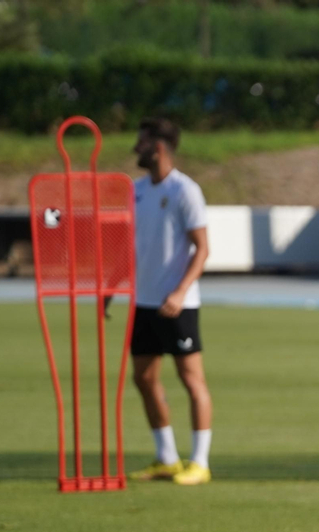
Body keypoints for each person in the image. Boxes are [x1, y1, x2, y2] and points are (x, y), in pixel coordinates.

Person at [128, 117, 213, 486]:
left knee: (191, 379)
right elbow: (132, 247)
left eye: (142, 142)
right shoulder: (135, 190)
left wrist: (179, 292)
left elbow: (203, 248)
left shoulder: (184, 191)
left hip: (178, 304)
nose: (136, 148)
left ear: (158, 148)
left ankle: (200, 461)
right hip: (144, 302)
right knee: (144, 378)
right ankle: (166, 457)